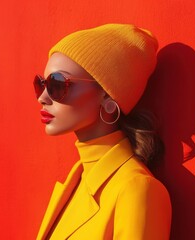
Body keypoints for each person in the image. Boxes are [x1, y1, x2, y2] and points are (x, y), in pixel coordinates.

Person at [33, 23, 172, 240]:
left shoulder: (136, 190)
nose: (43, 97)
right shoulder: (77, 178)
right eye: (41, 84)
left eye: (57, 84)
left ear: (108, 95)